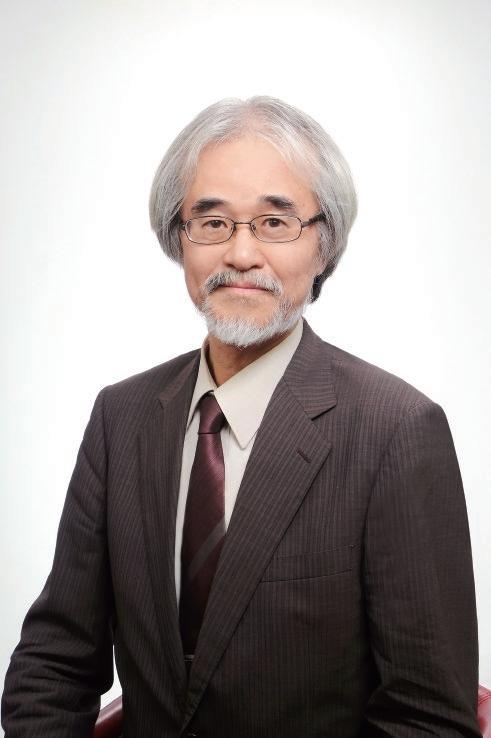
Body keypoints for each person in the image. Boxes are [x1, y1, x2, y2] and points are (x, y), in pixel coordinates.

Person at [2, 96, 482, 738]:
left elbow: (429, 717)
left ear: (324, 245)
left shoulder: (396, 430)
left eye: (276, 222)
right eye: (213, 222)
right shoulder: (123, 416)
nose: (241, 253)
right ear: (178, 239)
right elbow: (56, 663)